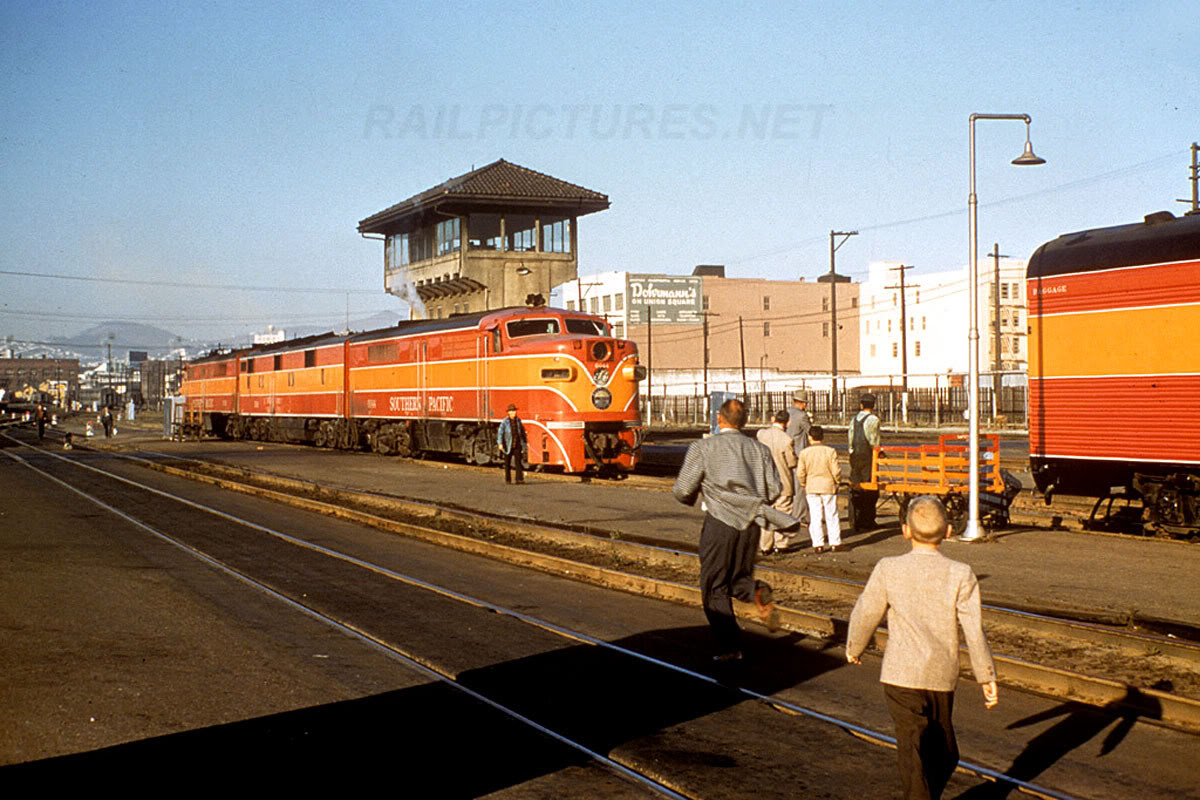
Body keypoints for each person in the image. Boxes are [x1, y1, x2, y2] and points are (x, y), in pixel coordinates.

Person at [846, 496, 999, 800]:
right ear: (949, 531)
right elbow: (974, 630)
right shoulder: (961, 572)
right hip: (917, 677)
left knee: (944, 752)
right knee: (916, 746)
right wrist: (986, 675)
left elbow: (866, 611)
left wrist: (855, 646)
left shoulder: (890, 567)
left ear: (905, 531)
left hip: (920, 676)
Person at [673, 398, 783, 661]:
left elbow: (682, 489)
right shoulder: (760, 450)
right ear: (743, 422)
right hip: (750, 525)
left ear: (719, 420)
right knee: (738, 579)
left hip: (719, 524)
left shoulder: (703, 447)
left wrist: (692, 498)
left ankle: (730, 648)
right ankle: (756, 590)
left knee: (714, 585)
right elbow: (774, 490)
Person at [755, 410, 799, 554]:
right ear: (787, 423)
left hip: (764, 482)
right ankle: (780, 544)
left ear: (774, 419)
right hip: (782, 482)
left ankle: (765, 546)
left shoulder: (761, 434)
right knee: (783, 513)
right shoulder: (786, 440)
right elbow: (791, 462)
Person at [797, 425, 842, 553]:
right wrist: (837, 482)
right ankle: (835, 542)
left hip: (811, 487)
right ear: (822, 437)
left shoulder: (804, 453)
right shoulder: (830, 451)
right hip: (828, 486)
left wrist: (803, 483)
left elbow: (800, 472)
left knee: (815, 516)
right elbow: (836, 470)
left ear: (810, 437)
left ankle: (818, 544)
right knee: (831, 514)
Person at [848, 393, 881, 531]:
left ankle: (857, 520)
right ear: (873, 406)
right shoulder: (874, 420)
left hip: (855, 456)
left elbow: (850, 439)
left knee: (857, 487)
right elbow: (874, 440)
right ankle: (868, 520)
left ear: (861, 405)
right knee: (871, 489)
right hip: (868, 457)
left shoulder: (854, 419)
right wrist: (879, 453)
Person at [785, 390, 813, 527]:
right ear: (802, 403)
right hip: (799, 453)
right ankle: (799, 516)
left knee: (787, 485)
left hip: (785, 453)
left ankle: (788, 513)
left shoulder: (786, 413)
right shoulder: (802, 416)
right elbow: (810, 432)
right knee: (800, 487)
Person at [496, 403, 527, 484]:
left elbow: (522, 431)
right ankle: (508, 479)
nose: (514, 413)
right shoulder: (504, 422)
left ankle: (519, 479)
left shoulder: (518, 421)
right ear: (508, 412)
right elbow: (500, 432)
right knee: (507, 463)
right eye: (512, 411)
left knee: (518, 462)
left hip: (517, 444)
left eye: (514, 411)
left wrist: (525, 441)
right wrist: (500, 443)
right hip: (507, 444)